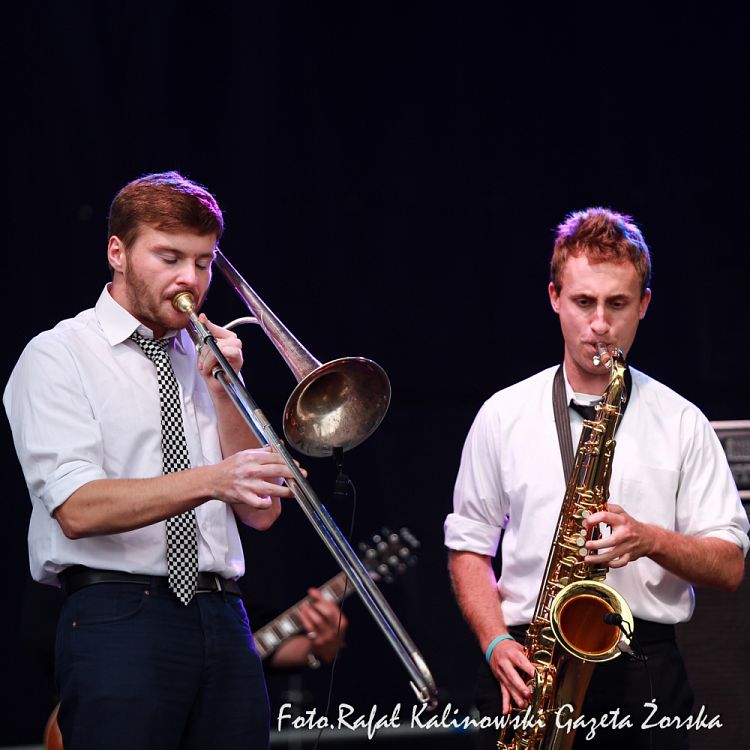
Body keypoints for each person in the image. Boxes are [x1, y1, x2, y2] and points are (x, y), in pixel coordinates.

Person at [4, 171, 333, 749]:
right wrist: (214, 480)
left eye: (204, 263)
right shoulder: (59, 354)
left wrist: (224, 392)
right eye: (169, 257)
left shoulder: (207, 355)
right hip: (117, 612)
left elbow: (260, 513)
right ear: (117, 252)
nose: (191, 279)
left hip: (224, 615)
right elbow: (76, 509)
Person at [444, 207, 749, 750]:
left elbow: (729, 566)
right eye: (584, 302)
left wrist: (649, 539)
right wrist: (494, 642)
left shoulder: (683, 421)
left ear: (644, 305)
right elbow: (469, 547)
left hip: (644, 668)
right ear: (555, 297)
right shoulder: (502, 414)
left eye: (618, 304)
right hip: (528, 664)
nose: (601, 325)